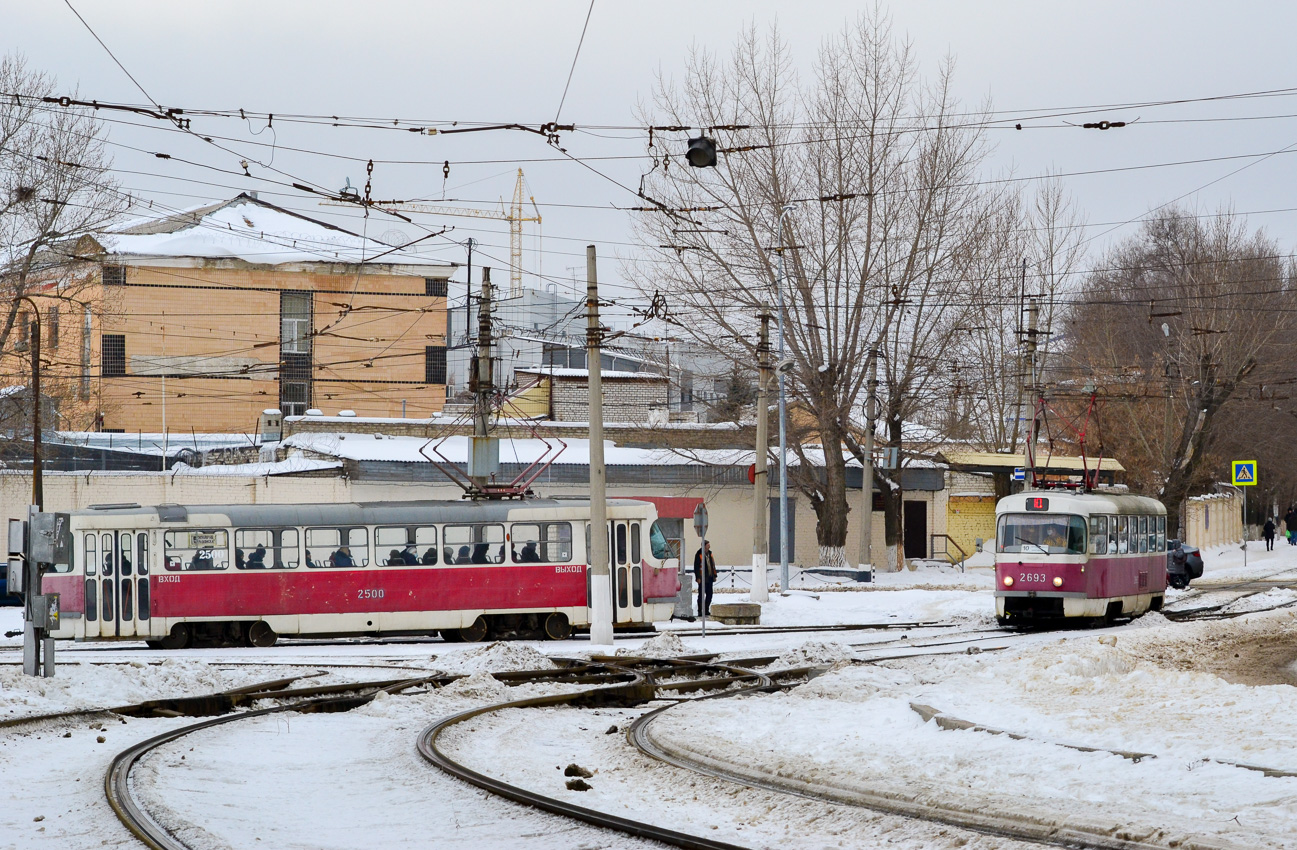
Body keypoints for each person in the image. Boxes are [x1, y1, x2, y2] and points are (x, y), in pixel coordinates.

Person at [693, 540, 717, 617]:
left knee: (710, 594)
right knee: (701, 595)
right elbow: (696, 567)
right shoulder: (699, 554)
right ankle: (700, 610)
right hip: (702, 578)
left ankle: (706, 609)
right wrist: (698, 577)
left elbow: (712, 565)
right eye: (708, 545)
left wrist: (714, 575)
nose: (709, 546)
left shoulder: (710, 553)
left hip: (709, 577)